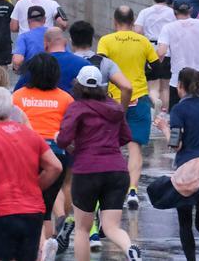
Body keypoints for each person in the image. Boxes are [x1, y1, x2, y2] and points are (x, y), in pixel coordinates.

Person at [0, 87, 62, 261]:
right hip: (33, 213)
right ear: (11, 110)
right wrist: (35, 186)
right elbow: (55, 167)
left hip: (2, 213)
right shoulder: (31, 136)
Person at [57, 66, 142, 261]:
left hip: (87, 171)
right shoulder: (115, 107)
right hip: (117, 171)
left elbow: (63, 140)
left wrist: (72, 143)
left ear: (78, 85)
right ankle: (130, 249)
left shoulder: (76, 108)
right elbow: (125, 137)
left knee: (82, 229)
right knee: (112, 227)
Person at [10, 53, 73, 260]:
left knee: (23, 204)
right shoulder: (65, 98)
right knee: (45, 208)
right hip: (55, 157)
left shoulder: (18, 96)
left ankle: (31, 247)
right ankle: (45, 247)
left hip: (25, 155)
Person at [97, 6, 159, 210]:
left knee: (111, 146)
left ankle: (110, 189)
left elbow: (100, 67)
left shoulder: (106, 41)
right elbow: (158, 67)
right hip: (138, 96)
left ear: (115, 21)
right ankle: (132, 190)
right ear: (133, 22)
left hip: (113, 99)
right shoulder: (143, 41)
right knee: (135, 148)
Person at [165, 68, 199, 261]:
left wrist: (164, 127)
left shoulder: (179, 109)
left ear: (180, 86)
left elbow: (175, 145)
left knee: (185, 223)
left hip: (187, 173)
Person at [157, 0, 199, 109]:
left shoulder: (168, 28)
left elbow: (161, 52)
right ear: (191, 10)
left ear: (174, 11)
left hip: (178, 82)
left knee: (177, 116)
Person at [135, 0, 176, 114]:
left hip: (151, 50)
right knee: (165, 86)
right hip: (167, 50)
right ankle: (164, 112)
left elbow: (138, 31)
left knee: (152, 84)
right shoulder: (172, 12)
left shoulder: (145, 12)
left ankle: (154, 102)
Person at [10, 5, 48, 72]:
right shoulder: (55, 33)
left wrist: (16, 68)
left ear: (28, 20)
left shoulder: (24, 37)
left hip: (32, 76)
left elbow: (18, 60)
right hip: (53, 76)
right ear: (44, 19)